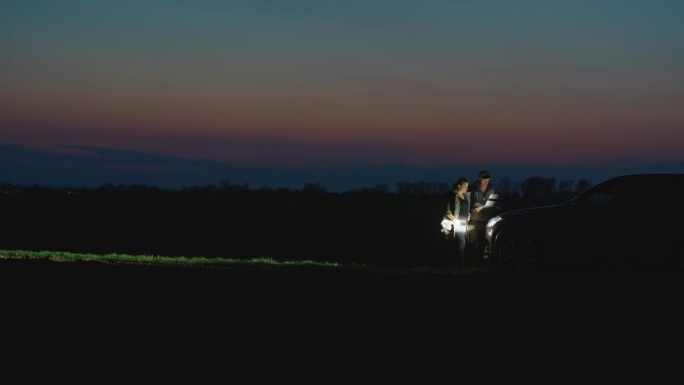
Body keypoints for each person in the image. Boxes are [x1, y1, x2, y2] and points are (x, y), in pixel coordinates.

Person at [467, 170, 499, 268]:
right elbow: (468, 203)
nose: (486, 181)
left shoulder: (492, 189)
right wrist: (469, 213)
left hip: (488, 221)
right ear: (479, 178)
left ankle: (484, 265)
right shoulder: (472, 190)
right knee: (473, 244)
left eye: (488, 179)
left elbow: (494, 204)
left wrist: (495, 208)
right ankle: (473, 265)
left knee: (486, 244)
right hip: (474, 220)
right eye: (484, 179)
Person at [442, 178, 471, 270]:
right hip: (456, 223)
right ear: (459, 186)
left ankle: (457, 264)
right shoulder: (452, 196)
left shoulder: (466, 196)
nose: (467, 188)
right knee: (461, 242)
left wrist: (468, 215)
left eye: (467, 186)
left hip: (465, 223)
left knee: (462, 243)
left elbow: (466, 209)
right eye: (465, 186)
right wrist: (455, 220)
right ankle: (461, 265)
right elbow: (447, 211)